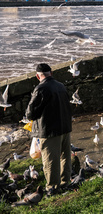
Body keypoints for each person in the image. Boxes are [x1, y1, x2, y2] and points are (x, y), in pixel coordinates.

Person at [25, 63, 72, 196]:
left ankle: (53, 188)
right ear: (51, 73)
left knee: (50, 160)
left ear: (37, 76)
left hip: (50, 130)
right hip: (65, 128)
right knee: (65, 157)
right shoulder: (61, 86)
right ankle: (65, 182)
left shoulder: (41, 88)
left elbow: (30, 113)